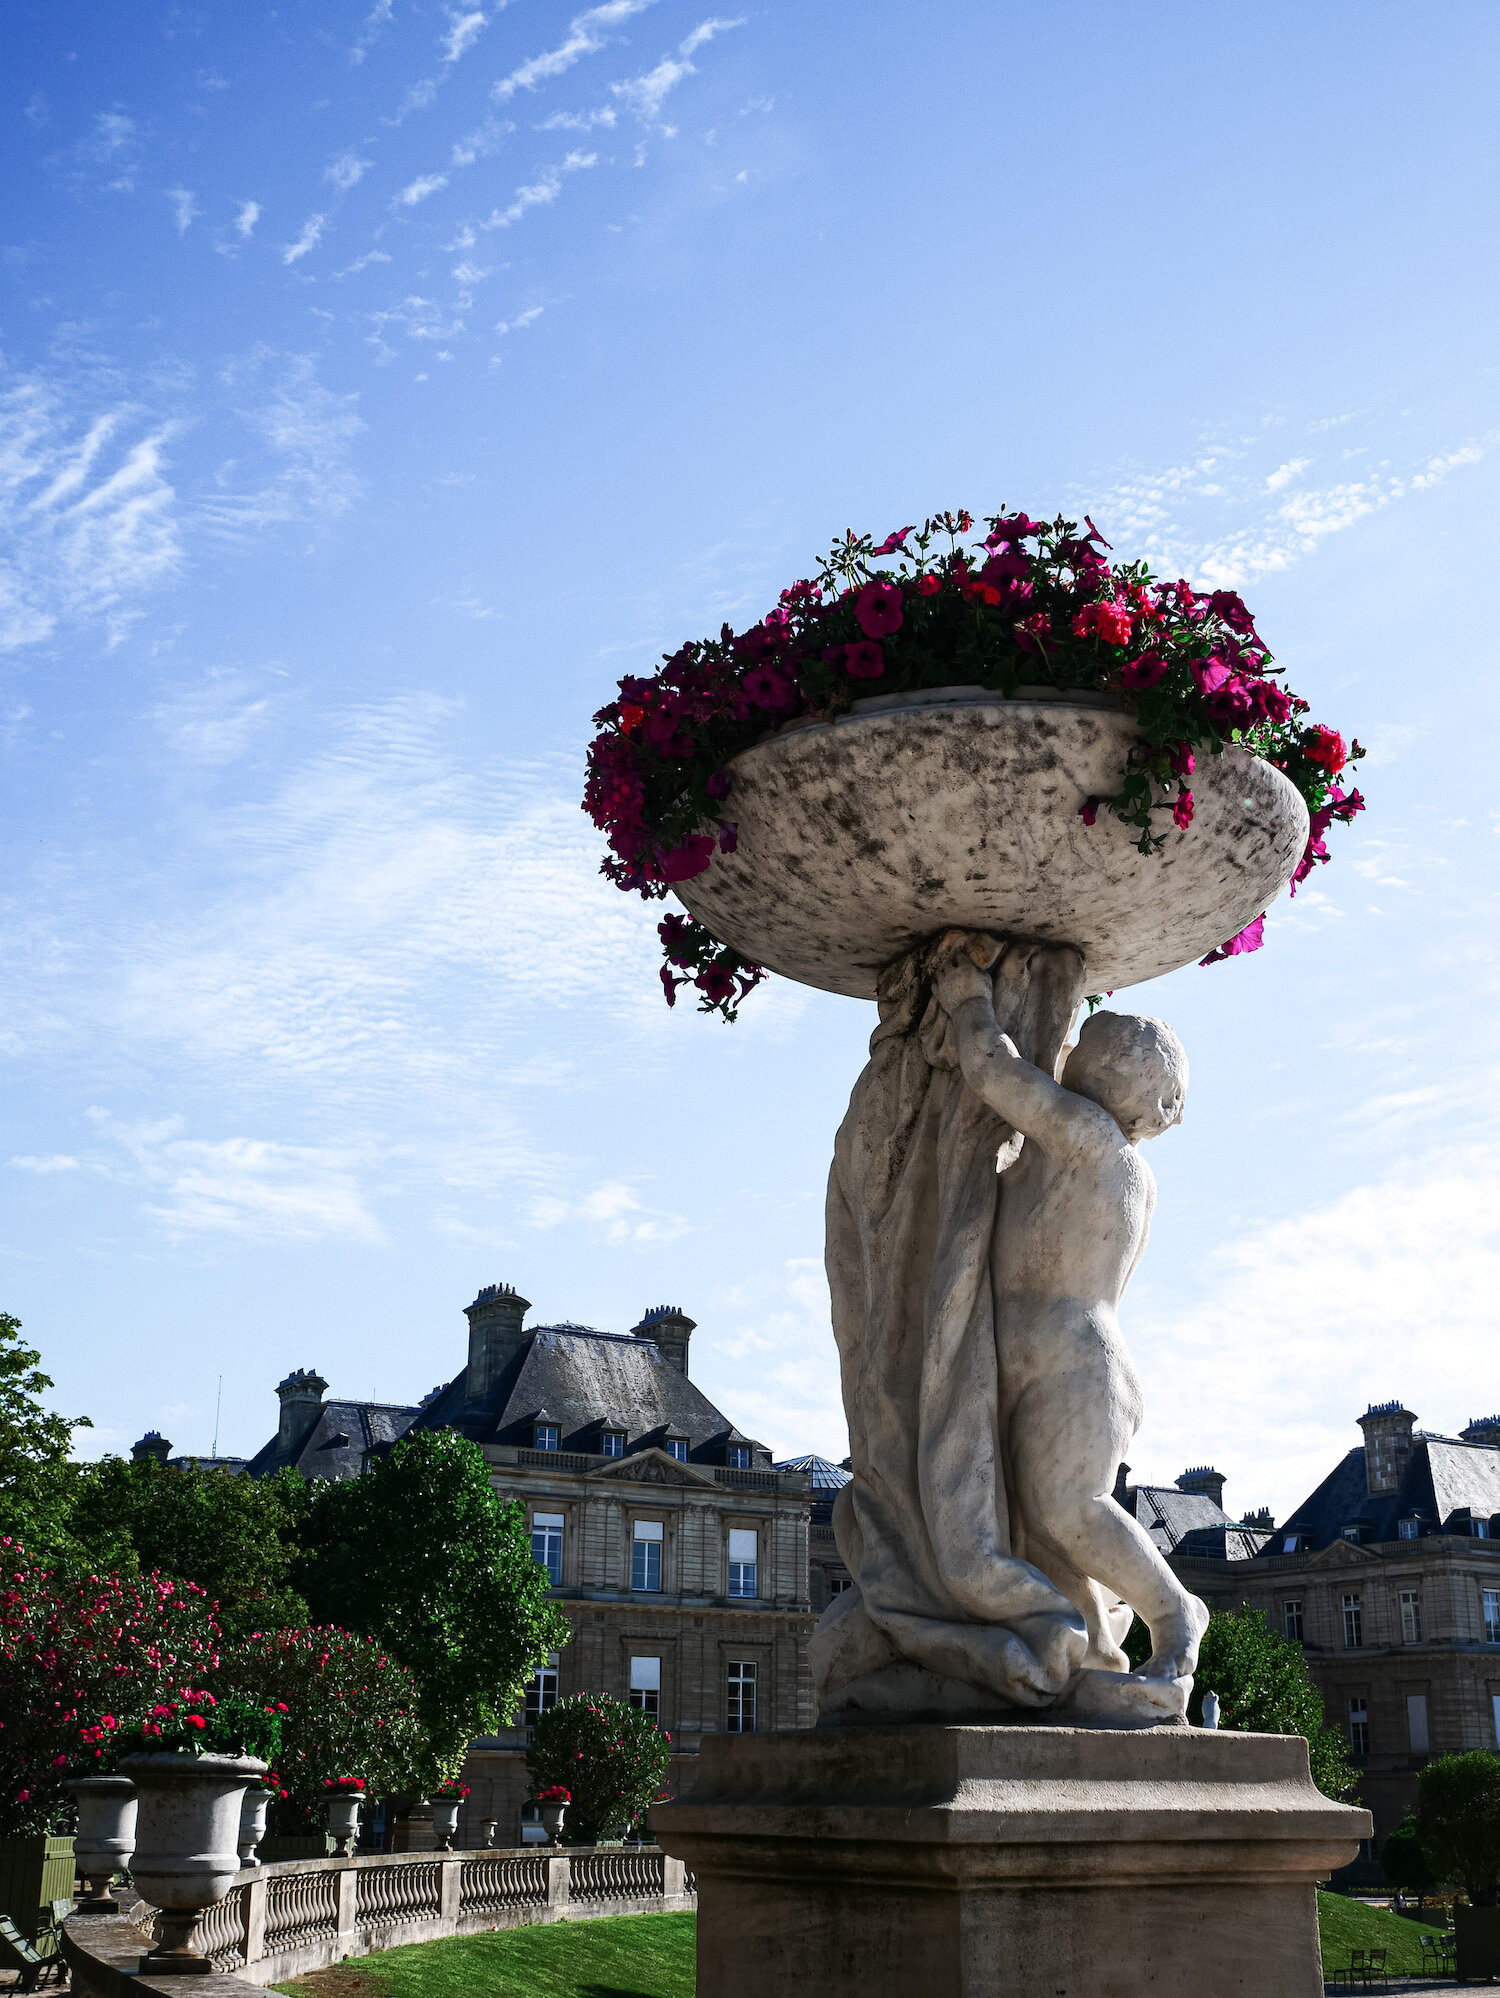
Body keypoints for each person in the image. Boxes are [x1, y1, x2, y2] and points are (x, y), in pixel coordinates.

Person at [926, 929, 1209, 1712]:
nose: (1074, 1048)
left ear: (1118, 1076)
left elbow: (994, 1072)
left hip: (1074, 1365)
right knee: (1045, 1533)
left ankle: (1175, 1615)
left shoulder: (1091, 1137)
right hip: (1050, 1358)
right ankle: (1093, 1650)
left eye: (1089, 1040)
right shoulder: (1105, 1155)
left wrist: (966, 997)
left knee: (1067, 1509)